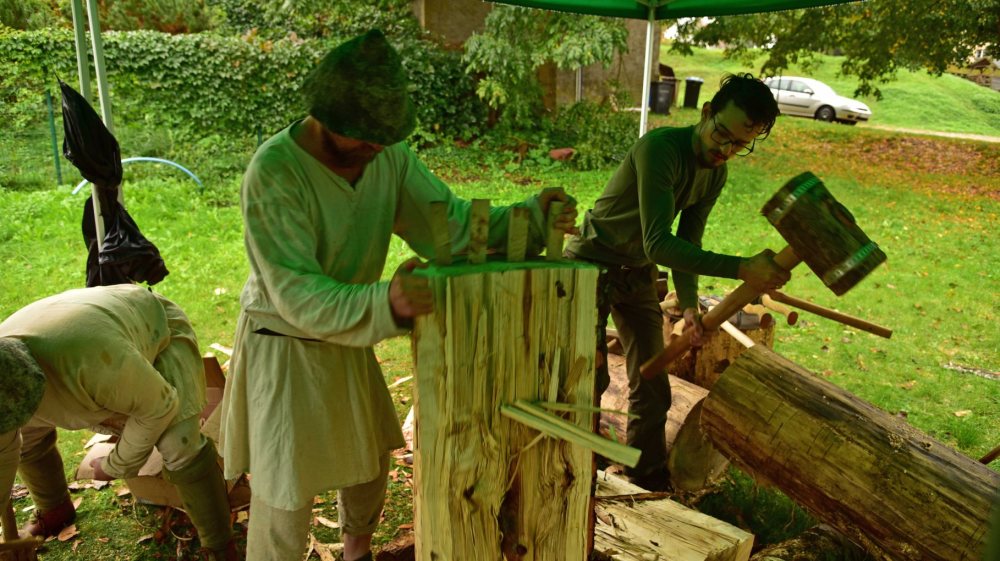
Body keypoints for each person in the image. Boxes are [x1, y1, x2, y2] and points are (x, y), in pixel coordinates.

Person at [218, 29, 577, 561]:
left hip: (351, 329)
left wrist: (529, 216)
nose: (375, 149)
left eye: (382, 139)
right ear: (325, 118)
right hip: (285, 342)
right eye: (363, 138)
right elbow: (296, 293)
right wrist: (387, 303)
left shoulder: (387, 155)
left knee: (368, 462)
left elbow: (449, 227)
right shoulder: (275, 172)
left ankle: (357, 553)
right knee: (285, 483)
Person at [564, 73, 789, 491]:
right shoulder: (660, 149)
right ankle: (575, 475)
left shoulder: (715, 175)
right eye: (721, 134)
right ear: (706, 113)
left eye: (739, 145)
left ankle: (646, 480)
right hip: (590, 265)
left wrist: (688, 305)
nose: (725, 150)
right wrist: (742, 267)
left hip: (636, 271)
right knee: (586, 379)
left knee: (653, 387)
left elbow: (688, 241)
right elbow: (659, 243)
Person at [0, 285, 239, 560]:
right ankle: (54, 508)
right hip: (84, 337)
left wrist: (114, 465)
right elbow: (5, 452)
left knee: (180, 445)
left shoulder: (91, 363)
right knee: (28, 438)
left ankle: (219, 545)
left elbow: (160, 407)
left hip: (155, 327)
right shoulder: (6, 375)